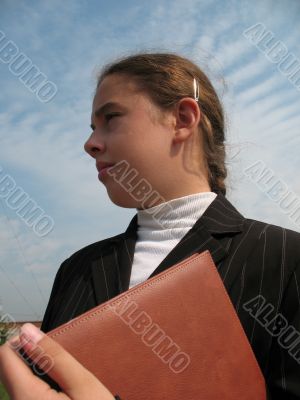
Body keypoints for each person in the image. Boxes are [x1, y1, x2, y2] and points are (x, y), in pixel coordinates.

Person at [0, 52, 299, 399]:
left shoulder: (286, 259)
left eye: (110, 118)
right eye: (92, 128)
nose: (90, 143)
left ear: (182, 119)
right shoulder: (76, 269)